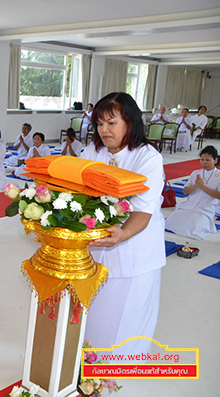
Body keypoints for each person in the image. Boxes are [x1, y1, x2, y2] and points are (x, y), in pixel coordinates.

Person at [80, 92, 165, 360]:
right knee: (95, 310)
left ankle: (119, 367)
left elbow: (143, 208)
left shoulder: (147, 157)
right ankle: (88, 358)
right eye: (99, 124)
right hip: (98, 241)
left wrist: (124, 233)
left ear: (130, 122)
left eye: (111, 123)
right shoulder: (93, 151)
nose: (104, 130)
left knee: (126, 312)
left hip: (135, 244)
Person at [165, 146, 220, 240]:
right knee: (170, 222)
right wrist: (196, 185)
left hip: (205, 209)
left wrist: (203, 187)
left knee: (193, 228)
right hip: (189, 206)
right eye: (202, 160)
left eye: (207, 160)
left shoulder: (218, 175)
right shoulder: (196, 173)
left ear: (215, 160)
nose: (204, 162)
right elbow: (185, 191)